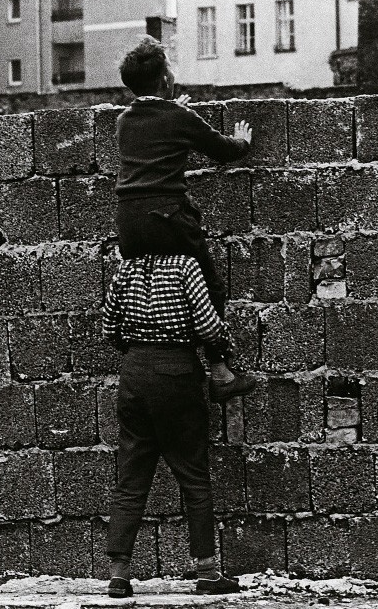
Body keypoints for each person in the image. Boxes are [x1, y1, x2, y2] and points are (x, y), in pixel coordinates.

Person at [115, 35, 256, 403]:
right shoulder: (179, 117)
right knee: (210, 288)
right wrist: (242, 142)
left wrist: (171, 109)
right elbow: (223, 151)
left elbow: (153, 129)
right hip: (168, 218)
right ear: (165, 80)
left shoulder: (124, 120)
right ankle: (220, 372)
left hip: (129, 223)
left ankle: (150, 363)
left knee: (147, 287)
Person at [102, 253, 243, 598]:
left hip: (134, 372)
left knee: (131, 478)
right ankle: (207, 572)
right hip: (177, 371)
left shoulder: (127, 267)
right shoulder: (185, 266)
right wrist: (222, 345)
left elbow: (109, 328)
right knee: (193, 476)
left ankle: (119, 576)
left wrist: (138, 350)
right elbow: (208, 327)